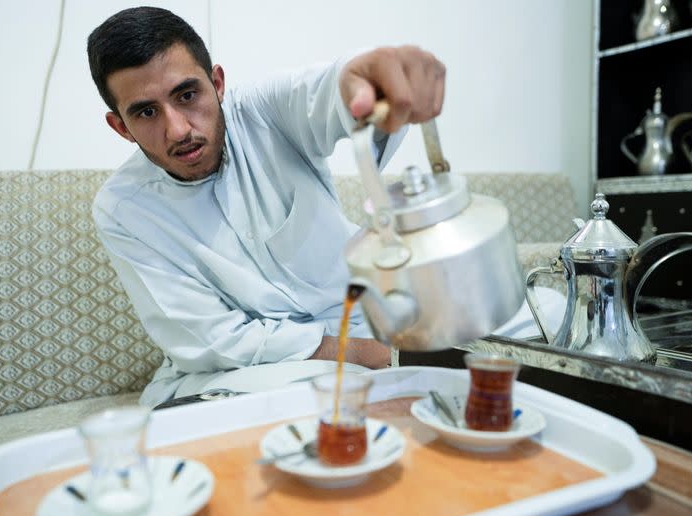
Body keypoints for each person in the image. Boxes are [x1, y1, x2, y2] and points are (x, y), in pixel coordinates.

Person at [87, 7, 446, 407]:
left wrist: (372, 74)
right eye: (146, 112)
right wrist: (368, 355)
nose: (178, 129)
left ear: (217, 83)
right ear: (121, 126)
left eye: (187, 96)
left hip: (371, 324)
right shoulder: (123, 210)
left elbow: (328, 89)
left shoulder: (266, 114)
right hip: (252, 373)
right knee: (317, 395)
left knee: (508, 334)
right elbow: (214, 340)